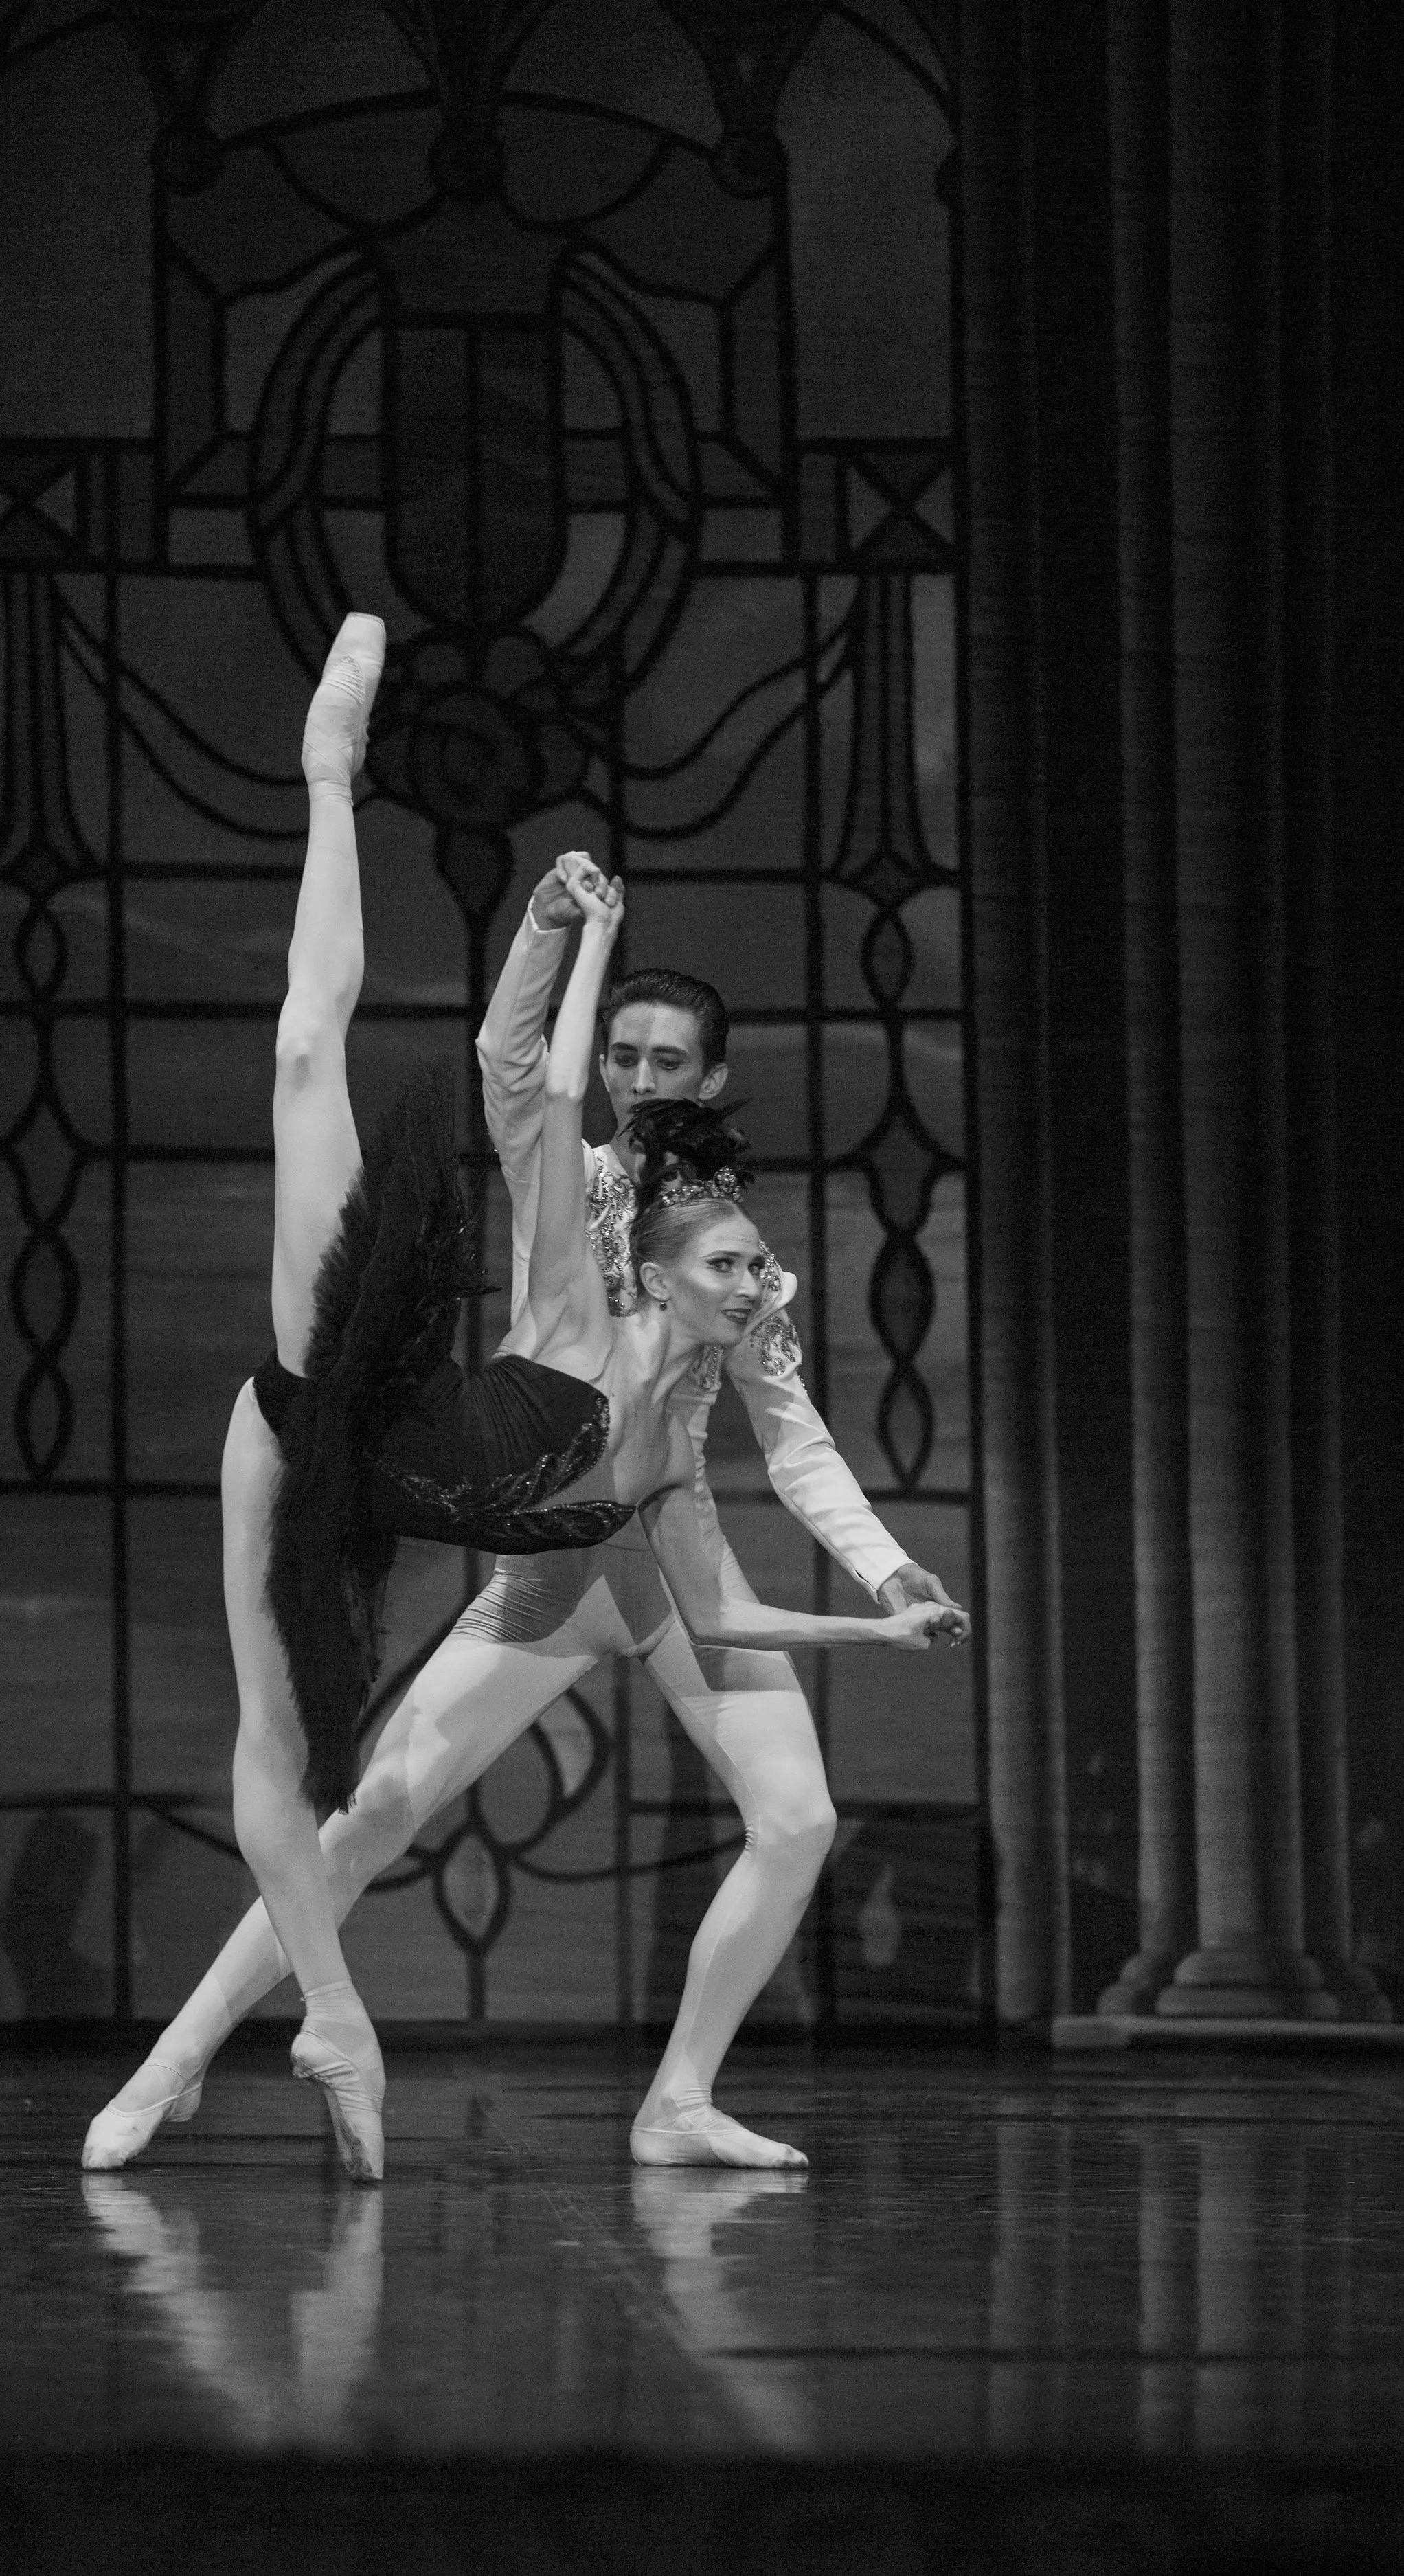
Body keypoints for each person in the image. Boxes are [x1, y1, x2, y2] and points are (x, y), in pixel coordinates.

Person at [84, 624, 961, 2182]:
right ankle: (175, 2062)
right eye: (624, 1047)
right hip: (550, 1559)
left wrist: (884, 1572)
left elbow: (794, 1434)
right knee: (363, 1823)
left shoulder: (740, 1257)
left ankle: (677, 2097)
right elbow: (517, 1072)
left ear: (704, 1072)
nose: (636, 1069)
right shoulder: (582, 1181)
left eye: (663, 1056)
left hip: (668, 1549)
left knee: (797, 1815)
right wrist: (557, 935)